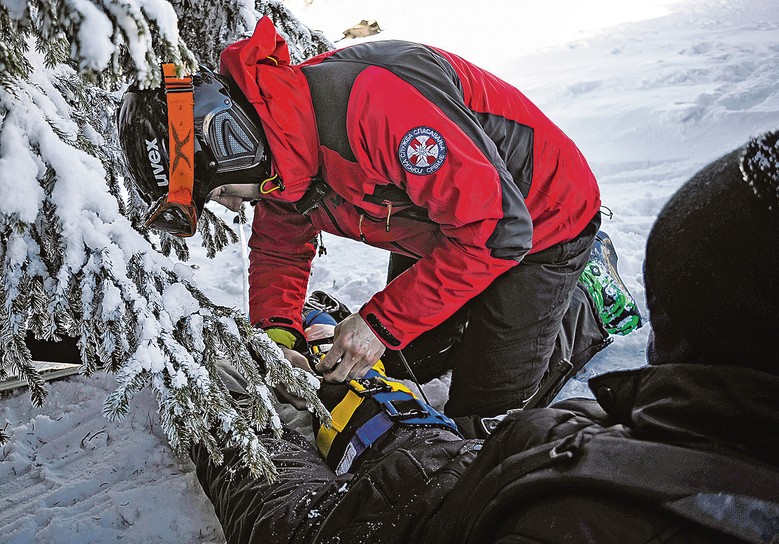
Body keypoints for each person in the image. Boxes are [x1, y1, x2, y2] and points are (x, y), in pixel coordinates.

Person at [192, 118, 779, 544]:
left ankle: (577, 302)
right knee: (411, 382)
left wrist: (229, 426)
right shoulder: (745, 440)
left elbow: (298, 540)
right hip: (463, 439)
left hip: (524, 259)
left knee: (468, 394)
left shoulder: (572, 528)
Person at [118, 17, 643, 432]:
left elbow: (499, 231)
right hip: (440, 227)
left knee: (481, 419)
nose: (234, 206)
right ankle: (492, 319)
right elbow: (280, 247)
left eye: (226, 192)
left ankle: (585, 303)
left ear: (234, 149)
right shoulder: (282, 149)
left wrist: (378, 324)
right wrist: (280, 344)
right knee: (396, 367)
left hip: (542, 219)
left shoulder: (375, 107)